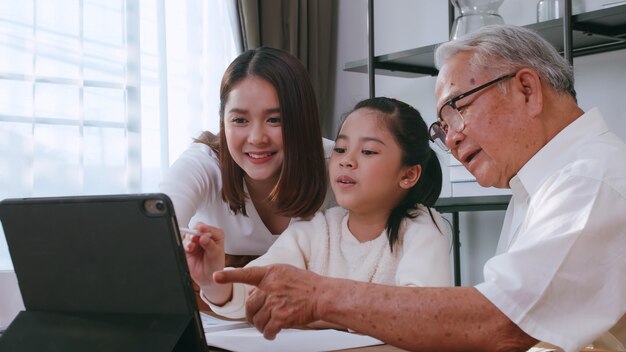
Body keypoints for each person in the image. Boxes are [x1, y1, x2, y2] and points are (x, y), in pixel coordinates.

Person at [213, 24, 626, 352]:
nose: (452, 138)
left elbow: (499, 324)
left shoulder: (589, 180)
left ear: (526, 90)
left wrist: (321, 297)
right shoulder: (543, 182)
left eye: (457, 109)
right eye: (442, 126)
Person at [186, 97, 451, 321]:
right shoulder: (316, 229)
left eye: (368, 151)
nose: (347, 160)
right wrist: (212, 280)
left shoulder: (424, 228)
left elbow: (421, 314)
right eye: (340, 148)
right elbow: (257, 289)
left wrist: (319, 314)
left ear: (408, 175)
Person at [159, 46, 335, 266]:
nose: (257, 138)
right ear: (223, 122)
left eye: (274, 120)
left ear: (303, 120)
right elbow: (155, 230)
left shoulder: (335, 166)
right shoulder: (205, 163)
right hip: (216, 290)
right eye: (240, 120)